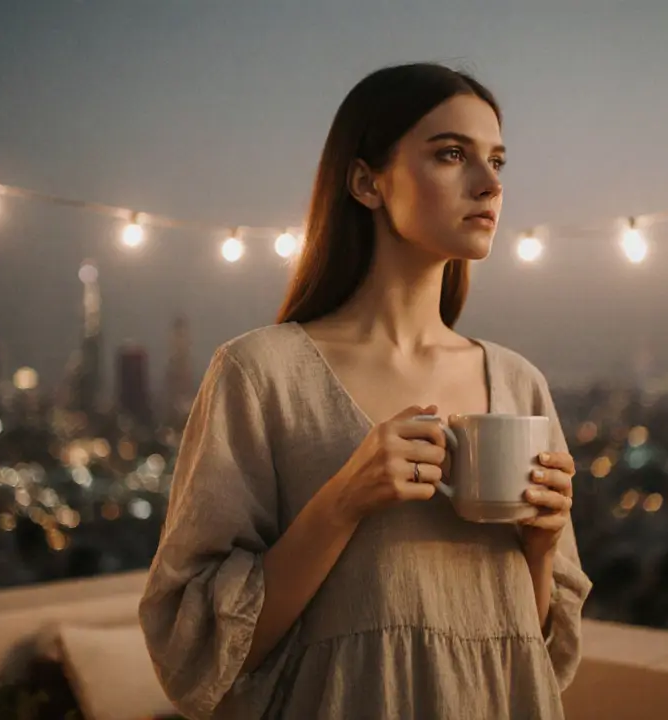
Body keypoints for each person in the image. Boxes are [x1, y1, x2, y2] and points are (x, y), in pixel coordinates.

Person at [139, 62, 592, 719]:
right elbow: (199, 656)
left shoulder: (520, 383)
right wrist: (343, 502)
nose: (490, 184)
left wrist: (542, 545)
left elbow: (536, 653)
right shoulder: (261, 374)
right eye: (450, 154)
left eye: (497, 160)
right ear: (365, 181)